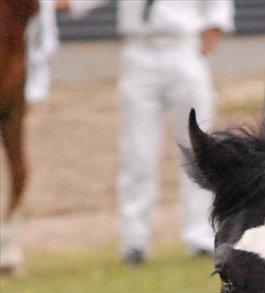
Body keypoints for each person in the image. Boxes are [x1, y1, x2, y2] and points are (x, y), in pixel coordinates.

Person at [60, 0, 233, 265]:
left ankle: (200, 235)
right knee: (137, 151)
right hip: (140, 51)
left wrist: (211, 34)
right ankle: (134, 240)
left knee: (198, 146)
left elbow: (217, 6)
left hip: (183, 48)